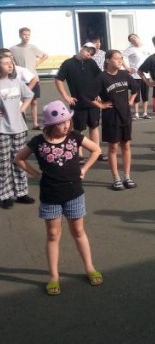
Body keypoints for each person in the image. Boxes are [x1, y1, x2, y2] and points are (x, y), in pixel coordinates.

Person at [13, 100, 103, 296]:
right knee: (53, 234)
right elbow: (19, 158)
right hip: (50, 195)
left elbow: (96, 150)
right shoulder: (38, 141)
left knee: (78, 231)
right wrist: (36, 174)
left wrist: (84, 169)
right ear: (50, 125)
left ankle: (89, 267)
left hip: (74, 193)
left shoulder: (74, 137)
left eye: (67, 121)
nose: (66, 125)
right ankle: (54, 276)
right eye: (61, 123)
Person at [92, 50, 138, 190]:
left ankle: (127, 177)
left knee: (126, 145)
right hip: (111, 116)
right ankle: (116, 178)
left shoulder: (124, 74)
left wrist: (131, 100)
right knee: (113, 147)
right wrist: (101, 105)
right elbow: (89, 96)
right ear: (108, 60)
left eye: (121, 58)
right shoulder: (101, 77)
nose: (120, 61)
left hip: (125, 115)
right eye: (117, 58)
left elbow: (135, 88)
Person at [55, 42, 104, 162]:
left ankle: (97, 151)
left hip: (92, 101)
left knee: (94, 127)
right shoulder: (68, 63)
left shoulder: (91, 63)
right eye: (87, 51)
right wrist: (66, 96)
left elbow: (99, 78)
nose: (89, 54)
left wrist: (98, 93)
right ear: (82, 48)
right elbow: (58, 79)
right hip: (78, 103)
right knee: (78, 129)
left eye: (91, 53)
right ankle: (78, 154)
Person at [0, 52, 35, 209]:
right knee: (3, 163)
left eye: (11, 62)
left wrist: (22, 108)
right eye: (6, 62)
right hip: (2, 130)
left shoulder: (16, 81)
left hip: (19, 128)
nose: (10, 65)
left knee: (19, 160)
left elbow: (29, 95)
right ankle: (5, 195)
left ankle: (21, 193)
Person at [10, 27, 48, 130]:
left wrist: (37, 64)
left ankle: (35, 124)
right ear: (20, 35)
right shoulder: (13, 49)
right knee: (22, 101)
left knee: (34, 101)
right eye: (24, 35)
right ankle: (23, 123)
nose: (26, 37)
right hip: (20, 78)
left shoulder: (33, 47)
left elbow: (45, 55)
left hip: (33, 77)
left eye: (28, 35)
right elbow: (9, 58)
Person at [123, 33, 151, 120]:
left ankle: (145, 113)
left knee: (145, 94)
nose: (134, 40)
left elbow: (150, 60)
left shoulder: (146, 47)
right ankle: (136, 113)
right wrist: (127, 68)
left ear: (138, 38)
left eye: (134, 37)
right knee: (136, 94)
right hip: (135, 75)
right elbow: (121, 57)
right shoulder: (130, 49)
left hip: (146, 75)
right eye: (131, 39)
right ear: (130, 42)